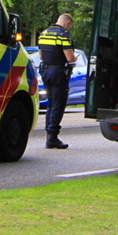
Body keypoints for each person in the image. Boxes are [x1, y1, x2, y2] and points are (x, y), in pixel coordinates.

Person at [38, 14, 75, 149]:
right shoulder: (63, 36)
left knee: (51, 103)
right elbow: (70, 58)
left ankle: (49, 135)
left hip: (46, 71)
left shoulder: (44, 33)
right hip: (58, 72)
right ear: (67, 24)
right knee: (58, 104)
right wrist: (74, 58)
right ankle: (53, 136)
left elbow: (41, 55)